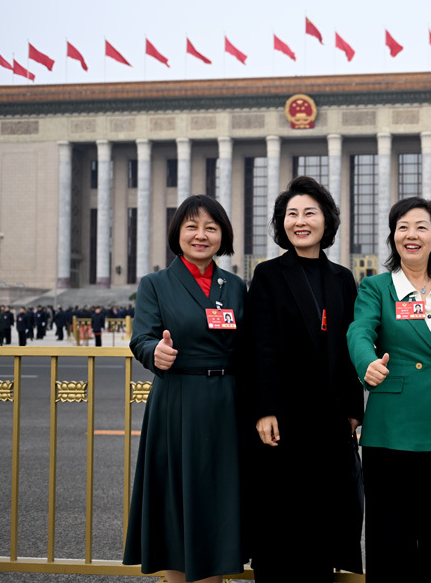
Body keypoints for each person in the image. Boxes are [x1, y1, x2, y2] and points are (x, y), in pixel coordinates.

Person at [244, 176, 364, 581]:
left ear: (326, 221)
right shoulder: (268, 275)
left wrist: (352, 409)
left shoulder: (342, 279)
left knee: (323, 521)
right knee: (281, 518)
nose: (300, 221)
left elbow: (350, 347)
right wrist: (264, 410)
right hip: (284, 419)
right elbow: (260, 348)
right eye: (291, 214)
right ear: (282, 223)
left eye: (309, 213)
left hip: (329, 421)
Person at [123, 195, 247, 583]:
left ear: (223, 235)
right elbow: (141, 336)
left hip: (227, 404)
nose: (201, 235)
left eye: (211, 227)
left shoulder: (236, 286)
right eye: (192, 226)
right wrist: (153, 352)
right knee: (177, 501)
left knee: (219, 499)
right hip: (178, 401)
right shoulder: (156, 284)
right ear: (177, 232)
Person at [347, 197, 431, 583]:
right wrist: (366, 363)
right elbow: (360, 330)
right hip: (392, 427)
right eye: (403, 227)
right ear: (393, 236)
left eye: (421, 227)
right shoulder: (376, 288)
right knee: (390, 538)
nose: (411, 235)